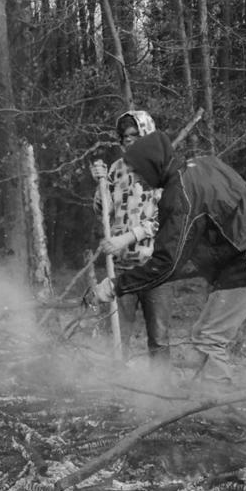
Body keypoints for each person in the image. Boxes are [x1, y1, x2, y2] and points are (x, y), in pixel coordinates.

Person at [92, 131, 246, 384]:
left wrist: (115, 286)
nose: (138, 181)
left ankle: (216, 409)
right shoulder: (206, 163)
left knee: (208, 339)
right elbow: (235, 204)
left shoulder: (179, 196)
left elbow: (166, 264)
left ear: (152, 166)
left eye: (139, 173)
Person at [90, 110, 173, 369]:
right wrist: (100, 183)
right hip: (122, 267)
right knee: (116, 337)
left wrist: (127, 237)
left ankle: (162, 393)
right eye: (125, 137)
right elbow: (102, 210)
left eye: (135, 136)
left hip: (155, 267)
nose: (130, 141)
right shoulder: (117, 169)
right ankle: (118, 393)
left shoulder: (162, 169)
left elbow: (164, 220)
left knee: (159, 337)